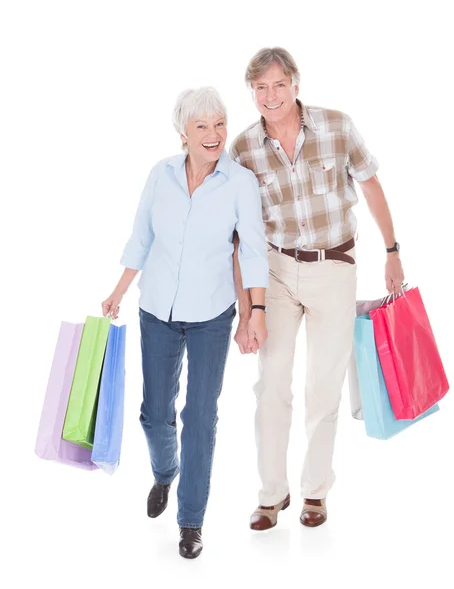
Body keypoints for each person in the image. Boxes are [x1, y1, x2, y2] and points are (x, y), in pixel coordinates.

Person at [230, 47, 405, 530]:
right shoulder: (243, 149)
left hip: (335, 267)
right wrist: (247, 310)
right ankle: (271, 494)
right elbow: (240, 234)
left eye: (278, 85)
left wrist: (392, 250)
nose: (270, 96)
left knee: (322, 388)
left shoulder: (337, 126)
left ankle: (314, 492)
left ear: (296, 84)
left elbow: (371, 185)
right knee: (271, 384)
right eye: (260, 88)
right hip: (278, 271)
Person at [102, 87, 269, 558]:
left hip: (211, 315)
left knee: (200, 417)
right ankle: (164, 473)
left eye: (220, 124)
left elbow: (253, 250)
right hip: (155, 308)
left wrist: (256, 312)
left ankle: (191, 520)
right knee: (155, 415)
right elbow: (141, 236)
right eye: (202, 127)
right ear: (183, 134)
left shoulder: (240, 182)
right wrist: (118, 291)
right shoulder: (161, 174)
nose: (214, 135)